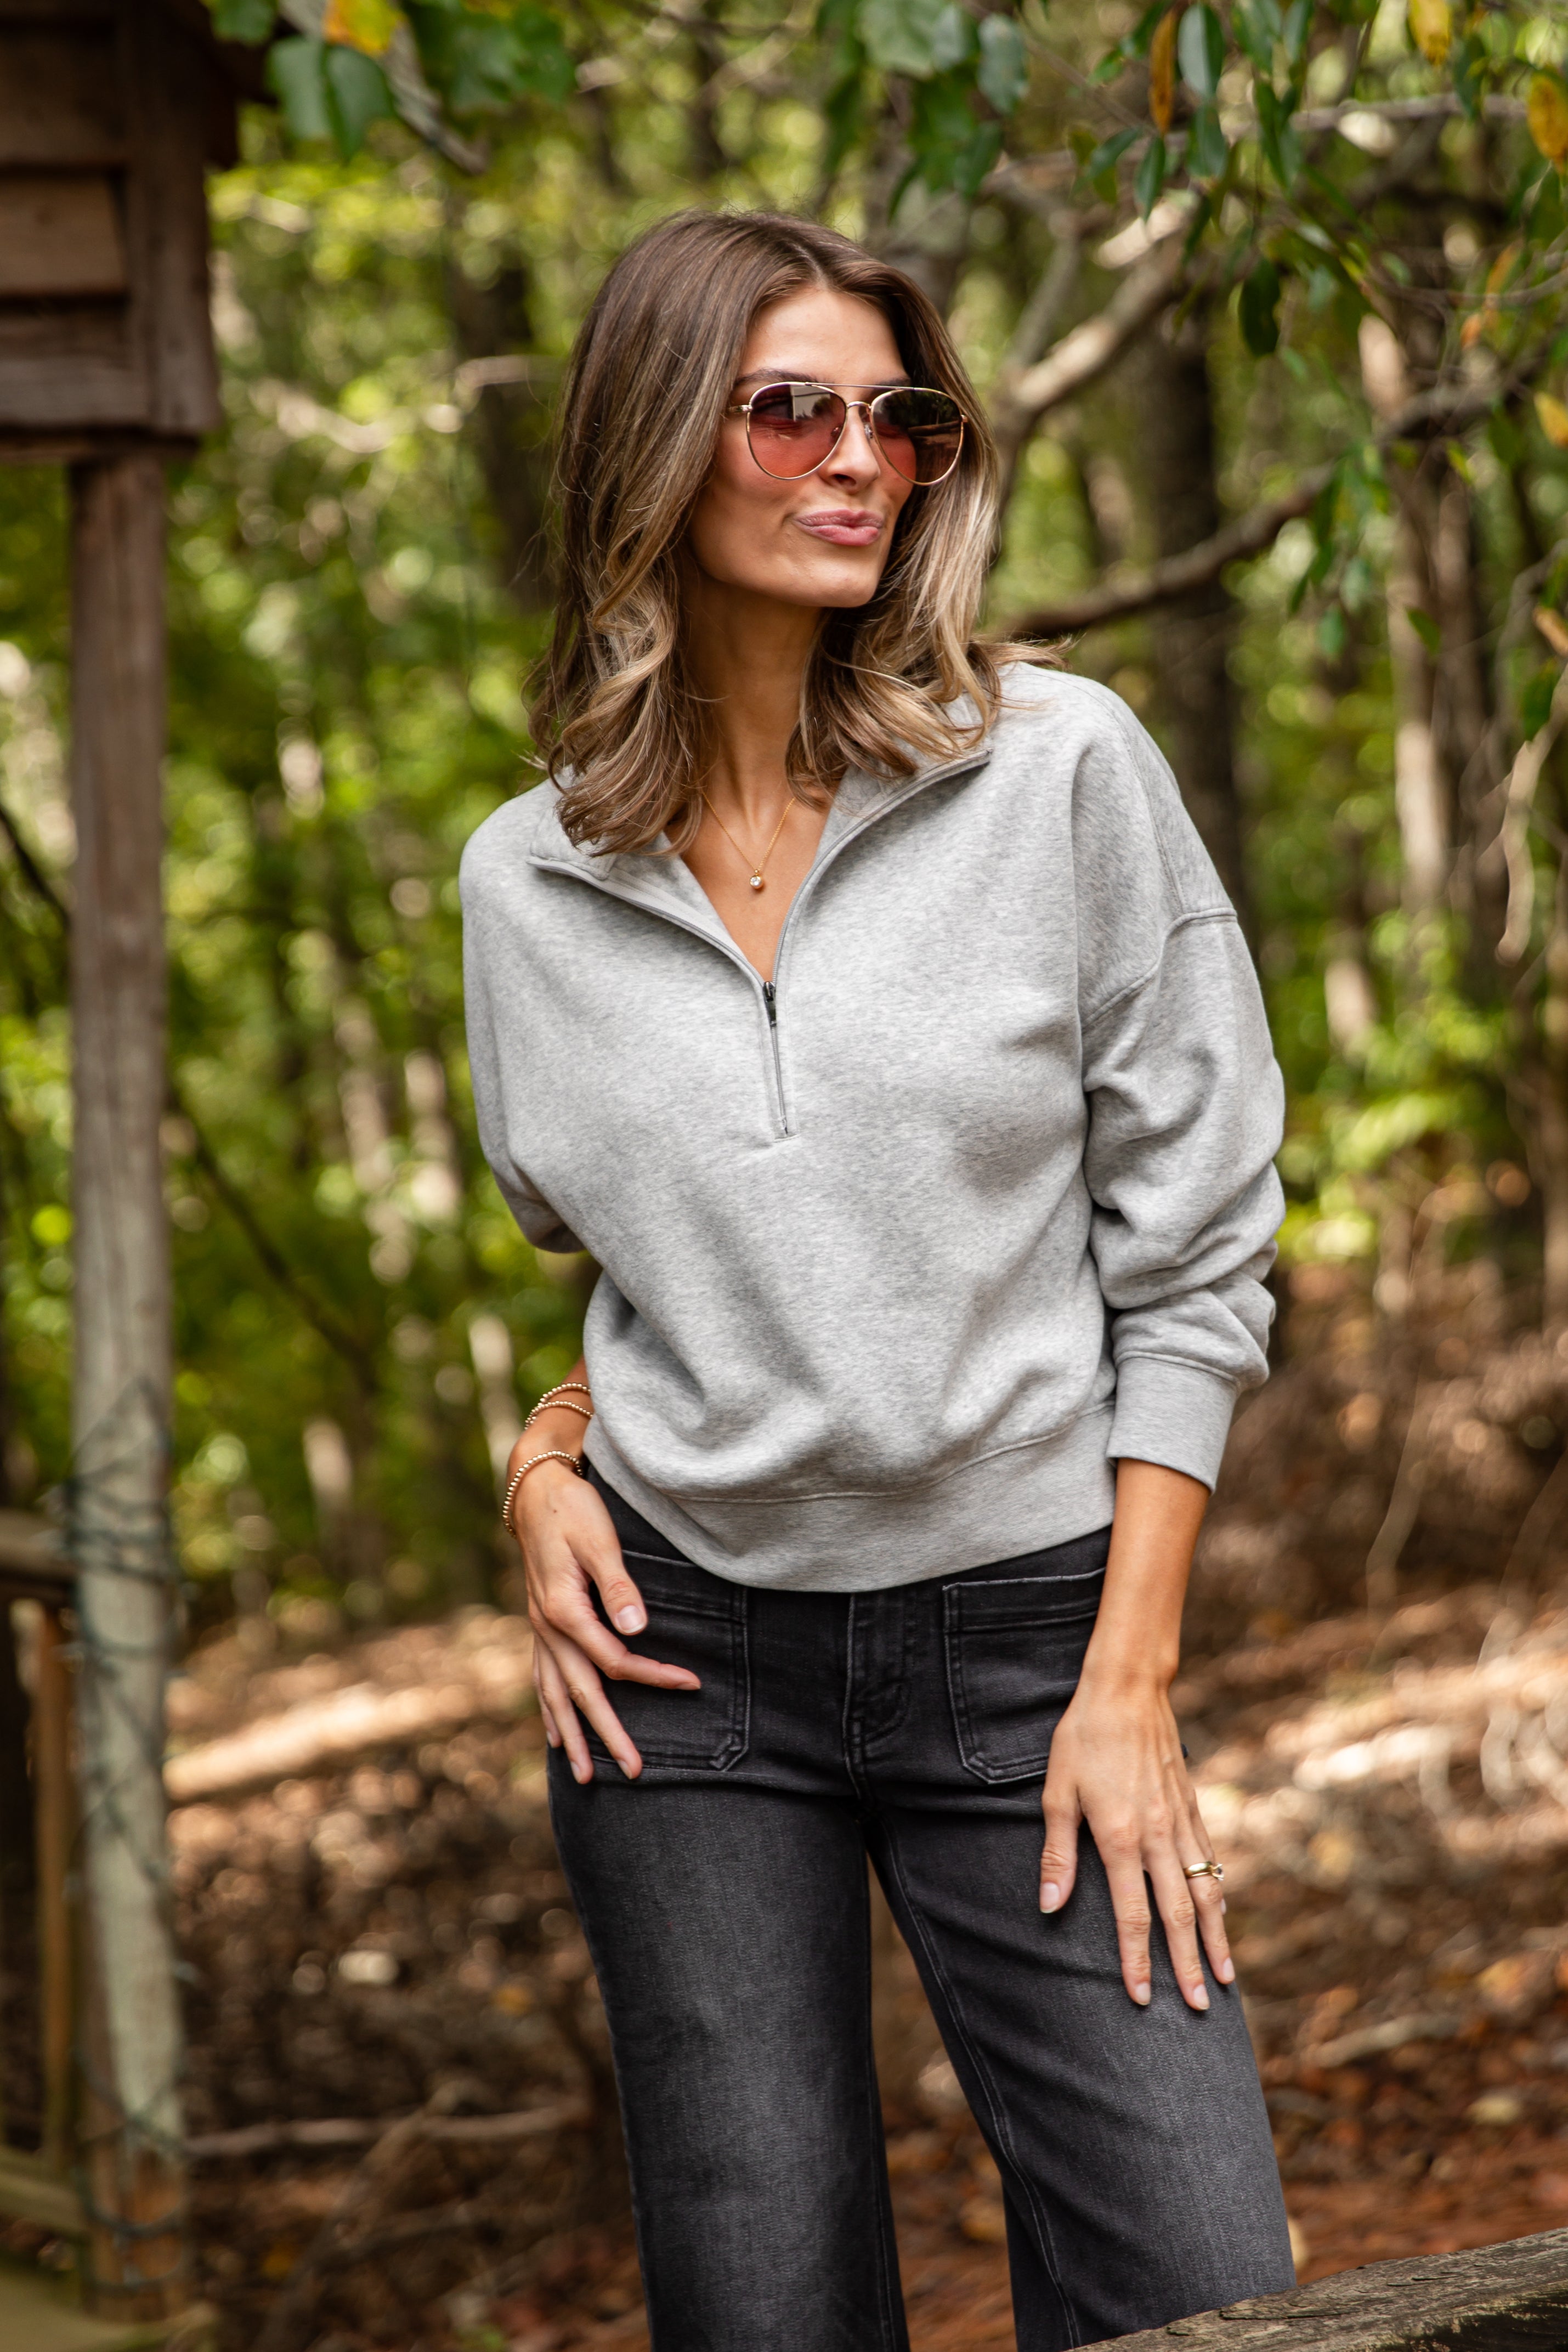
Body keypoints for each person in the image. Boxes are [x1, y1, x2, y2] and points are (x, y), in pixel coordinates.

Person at [461, 207, 1294, 2352]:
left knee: (1200, 2298)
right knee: (761, 2314)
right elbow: (644, 1269)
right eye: (789, 411)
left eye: (896, 417)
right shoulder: (525, 879)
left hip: (1036, 1639)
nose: (859, 460)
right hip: (681, 1674)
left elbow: (1195, 1255)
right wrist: (542, 1454)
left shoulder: (1063, 768)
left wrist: (1128, 1684)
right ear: (656, 444)